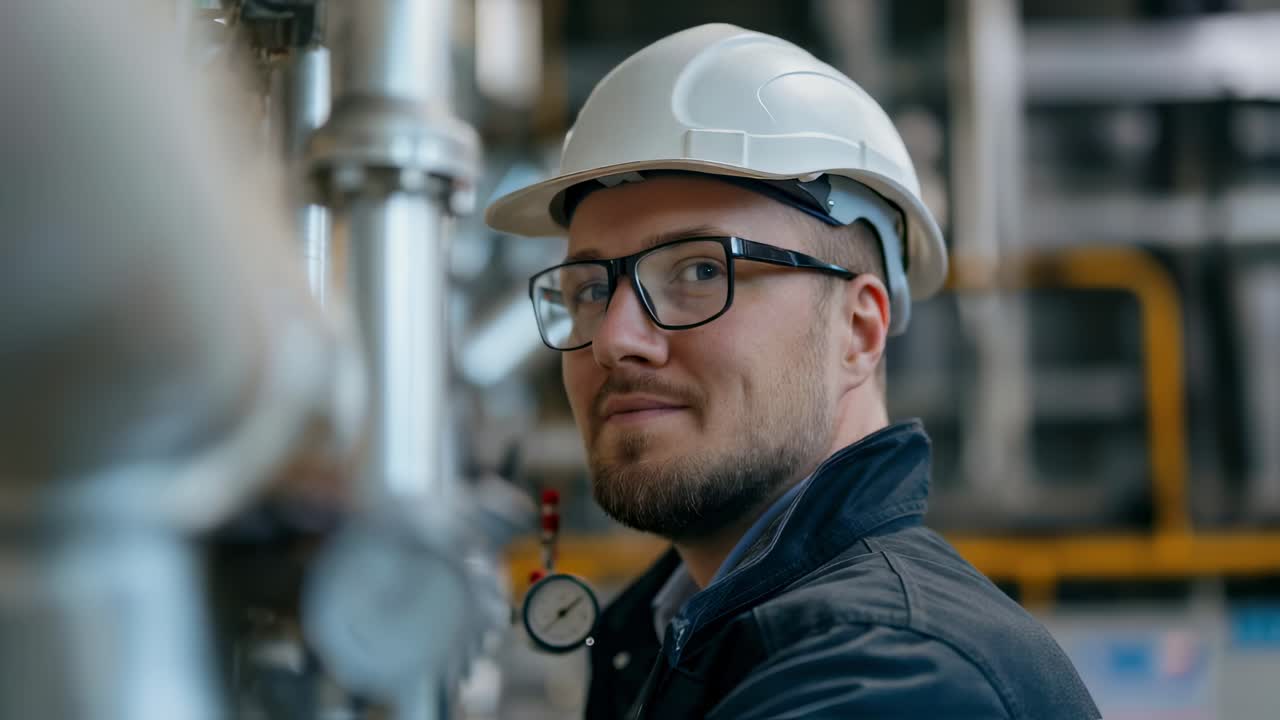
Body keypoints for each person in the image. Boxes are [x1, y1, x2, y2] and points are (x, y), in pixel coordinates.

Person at [486, 23, 1100, 720]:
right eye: (591, 289)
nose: (613, 340)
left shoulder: (891, 674)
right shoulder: (679, 638)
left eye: (700, 271)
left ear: (858, 331)